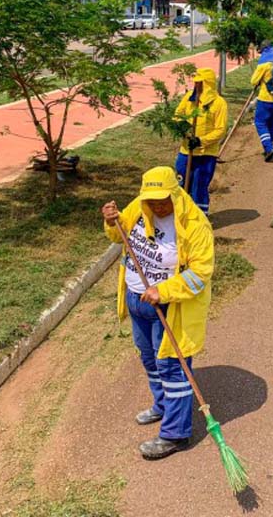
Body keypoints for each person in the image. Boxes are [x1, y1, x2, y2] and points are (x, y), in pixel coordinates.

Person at [102, 166, 215, 460]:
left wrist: (163, 291)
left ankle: (175, 434)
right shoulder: (139, 208)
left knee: (173, 367)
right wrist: (111, 221)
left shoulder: (195, 225)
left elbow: (201, 273)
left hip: (169, 307)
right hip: (137, 300)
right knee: (149, 358)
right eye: (151, 200)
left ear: (175, 194)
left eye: (163, 199)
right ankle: (162, 405)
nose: (157, 205)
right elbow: (119, 236)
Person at [174, 67, 228, 216]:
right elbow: (178, 114)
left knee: (200, 186)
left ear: (208, 84)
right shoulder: (188, 99)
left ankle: (201, 218)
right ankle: (181, 215)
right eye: (195, 83)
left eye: (200, 83)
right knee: (181, 184)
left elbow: (220, 129)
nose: (196, 86)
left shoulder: (219, 103)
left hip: (206, 155)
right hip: (186, 152)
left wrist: (200, 141)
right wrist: (184, 130)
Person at [249, 40, 273, 162]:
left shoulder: (263, 65)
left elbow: (253, 81)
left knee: (260, 122)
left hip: (265, 99)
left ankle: (269, 148)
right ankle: (269, 146)